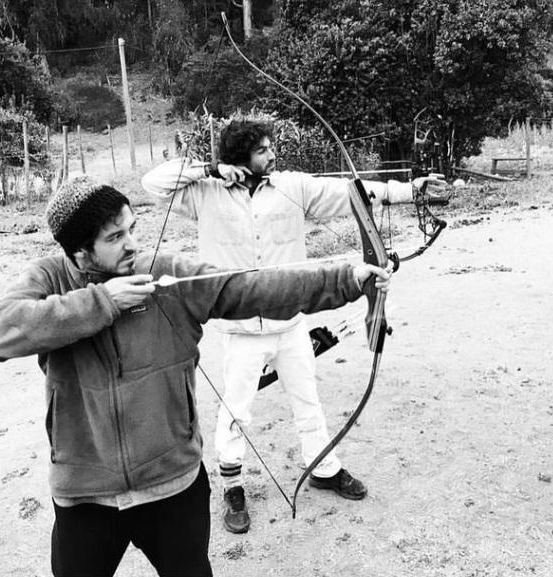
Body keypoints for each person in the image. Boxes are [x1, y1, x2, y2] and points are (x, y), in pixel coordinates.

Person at [0, 175, 392, 577]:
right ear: (80, 253)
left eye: (131, 229)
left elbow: (250, 288)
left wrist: (348, 280)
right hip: (84, 492)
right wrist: (102, 301)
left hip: (171, 484)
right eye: (114, 237)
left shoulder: (164, 271)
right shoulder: (48, 279)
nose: (132, 244)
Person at [142, 119, 445, 534]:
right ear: (240, 157)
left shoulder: (291, 186)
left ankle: (322, 467)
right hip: (240, 327)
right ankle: (233, 486)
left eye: (271, 147)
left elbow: (354, 194)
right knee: (236, 411)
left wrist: (410, 191)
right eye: (263, 149)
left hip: (290, 323)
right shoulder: (204, 193)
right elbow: (153, 183)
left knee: (308, 400)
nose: (272, 154)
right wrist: (212, 169)